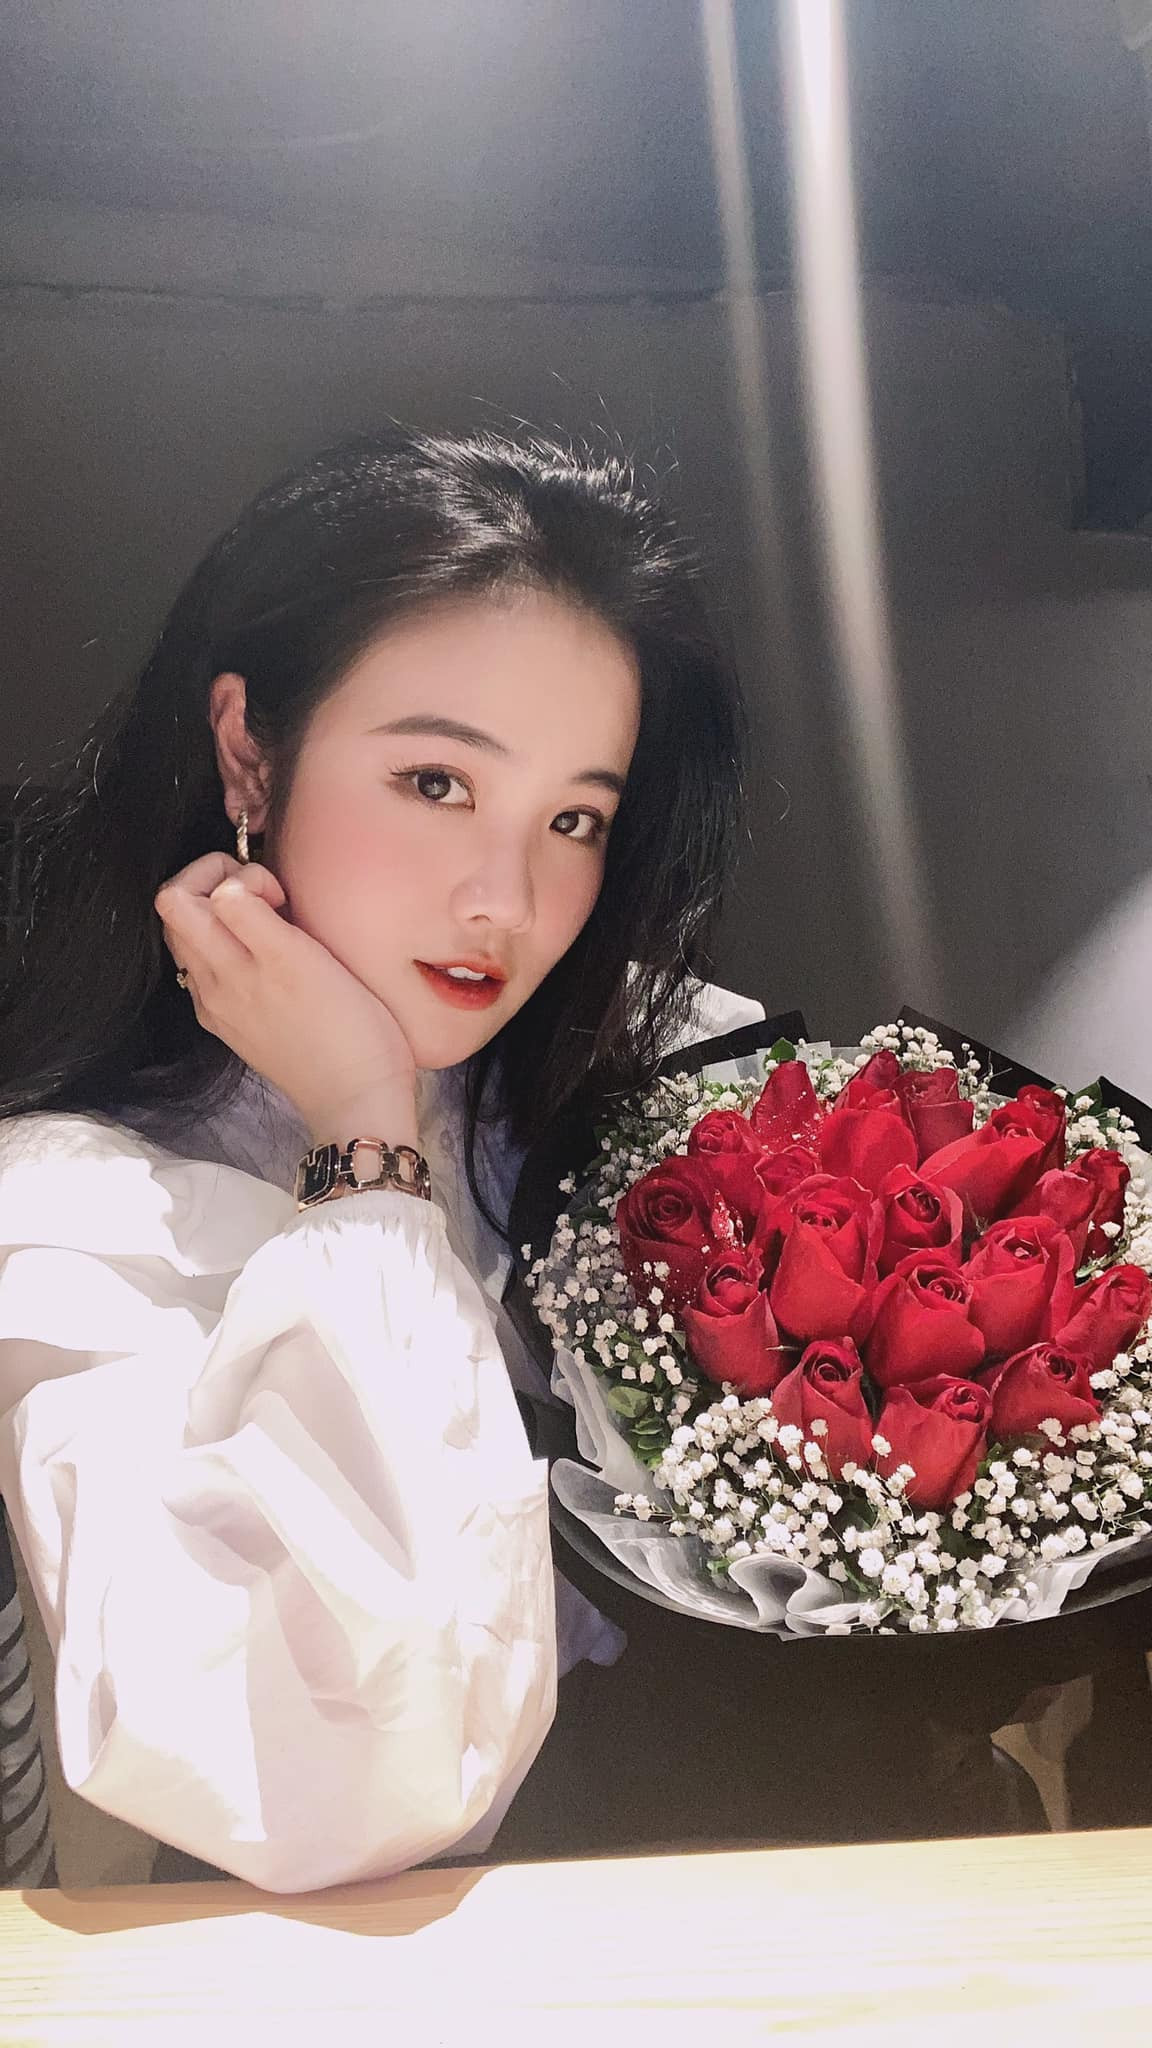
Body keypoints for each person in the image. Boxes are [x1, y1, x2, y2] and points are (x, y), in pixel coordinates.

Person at [0, 427, 762, 1891]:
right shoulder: (83, 1198)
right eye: (436, 782)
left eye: (575, 818)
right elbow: (340, 1776)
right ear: (248, 748)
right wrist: (364, 1137)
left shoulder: (659, 1076)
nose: (508, 899)